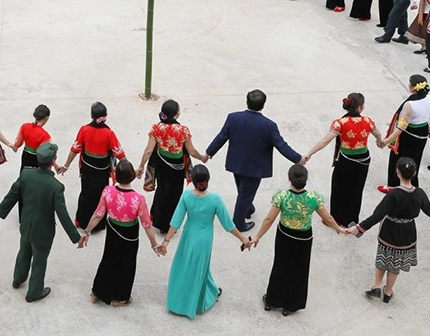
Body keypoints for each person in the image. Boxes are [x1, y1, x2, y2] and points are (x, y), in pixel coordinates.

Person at [0, 141, 84, 303]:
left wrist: (0, 212)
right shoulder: (56, 187)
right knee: (39, 262)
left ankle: (18, 279)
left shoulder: (26, 175)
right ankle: (34, 292)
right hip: (43, 232)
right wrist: (76, 237)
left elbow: (12, 194)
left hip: (26, 225)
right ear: (53, 161)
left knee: (24, 252)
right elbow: (62, 215)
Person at [250, 164, 344, 316]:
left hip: (285, 235)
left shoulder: (282, 196)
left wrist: (257, 236)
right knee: (299, 270)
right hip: (304, 238)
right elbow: (327, 217)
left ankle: (272, 300)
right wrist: (338, 228)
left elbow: (269, 219)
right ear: (306, 180)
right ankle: (291, 305)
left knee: (280, 265)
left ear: (290, 179)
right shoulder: (313, 198)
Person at [205, 89, 303, 231]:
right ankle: (238, 223)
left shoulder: (233, 118)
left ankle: (248, 208)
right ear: (263, 105)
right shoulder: (269, 126)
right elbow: (281, 146)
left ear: (247, 101)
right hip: (254, 167)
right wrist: (298, 158)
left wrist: (209, 152)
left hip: (236, 162)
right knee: (245, 193)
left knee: (243, 190)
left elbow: (222, 136)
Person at [161, 164, 250, 319]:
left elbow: (176, 221)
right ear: (207, 180)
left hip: (188, 237)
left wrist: (166, 241)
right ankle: (196, 302)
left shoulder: (186, 196)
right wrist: (242, 238)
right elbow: (228, 225)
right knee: (200, 269)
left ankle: (179, 301)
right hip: (204, 240)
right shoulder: (215, 200)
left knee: (184, 267)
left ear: (193, 181)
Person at [346, 157, 430, 304]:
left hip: (389, 231)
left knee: (384, 257)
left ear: (397, 173)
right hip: (407, 233)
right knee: (395, 264)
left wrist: (358, 228)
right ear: (414, 174)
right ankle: (388, 292)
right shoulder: (419, 193)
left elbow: (378, 215)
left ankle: (376, 286)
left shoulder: (393, 194)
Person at [79, 159, 161, 306]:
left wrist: (87, 231)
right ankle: (120, 297)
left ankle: (97, 291)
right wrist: (154, 244)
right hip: (129, 232)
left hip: (113, 229)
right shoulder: (138, 198)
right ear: (132, 176)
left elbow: (98, 214)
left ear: (116, 176)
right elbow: (147, 224)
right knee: (127, 263)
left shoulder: (108, 191)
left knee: (108, 258)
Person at [301, 93, 383, 227]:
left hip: (346, 160)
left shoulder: (340, 123)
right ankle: (352, 219)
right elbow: (378, 134)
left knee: (339, 188)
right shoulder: (368, 121)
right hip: (363, 161)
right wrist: (380, 141)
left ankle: (337, 219)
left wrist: (309, 153)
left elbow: (325, 140)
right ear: (360, 107)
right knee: (356, 190)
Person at [137, 99, 208, 234]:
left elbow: (148, 151)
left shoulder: (156, 128)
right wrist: (202, 158)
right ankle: (169, 224)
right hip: (177, 167)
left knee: (162, 191)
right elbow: (191, 151)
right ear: (177, 114)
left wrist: (140, 167)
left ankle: (157, 219)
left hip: (161, 164)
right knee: (175, 194)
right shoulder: (183, 130)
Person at [58, 102, 127, 230]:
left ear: (91, 115)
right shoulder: (109, 133)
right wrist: (128, 169)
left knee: (86, 194)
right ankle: (99, 224)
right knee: (101, 195)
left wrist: (66, 165)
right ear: (105, 116)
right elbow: (119, 153)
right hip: (102, 170)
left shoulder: (84, 130)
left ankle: (82, 221)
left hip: (87, 168)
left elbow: (75, 149)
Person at [381, 75, 430, 189]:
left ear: (413, 88)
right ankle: (412, 184)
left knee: (398, 159)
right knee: (415, 160)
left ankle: (394, 186)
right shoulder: (429, 98)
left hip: (409, 135)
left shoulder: (410, 105)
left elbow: (401, 127)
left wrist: (388, 140)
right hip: (422, 133)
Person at [13, 104, 52, 169]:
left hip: (26, 156)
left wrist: (14, 146)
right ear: (47, 118)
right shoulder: (45, 136)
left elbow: (18, 143)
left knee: (24, 173)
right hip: (37, 160)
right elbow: (46, 155)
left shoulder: (25, 126)